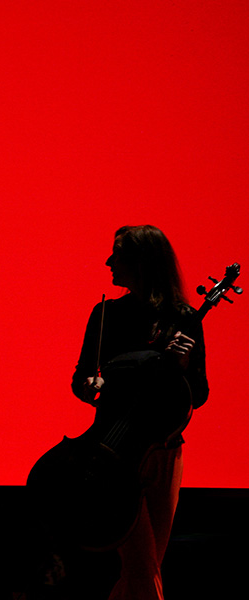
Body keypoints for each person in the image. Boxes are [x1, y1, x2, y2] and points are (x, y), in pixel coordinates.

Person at [72, 225, 208, 600]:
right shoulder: (106, 314)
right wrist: (89, 386)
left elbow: (199, 394)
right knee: (141, 564)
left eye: (117, 254)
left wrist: (181, 366)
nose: (108, 261)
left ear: (142, 262)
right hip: (113, 457)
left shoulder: (183, 316)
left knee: (144, 566)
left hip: (164, 454)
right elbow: (81, 378)